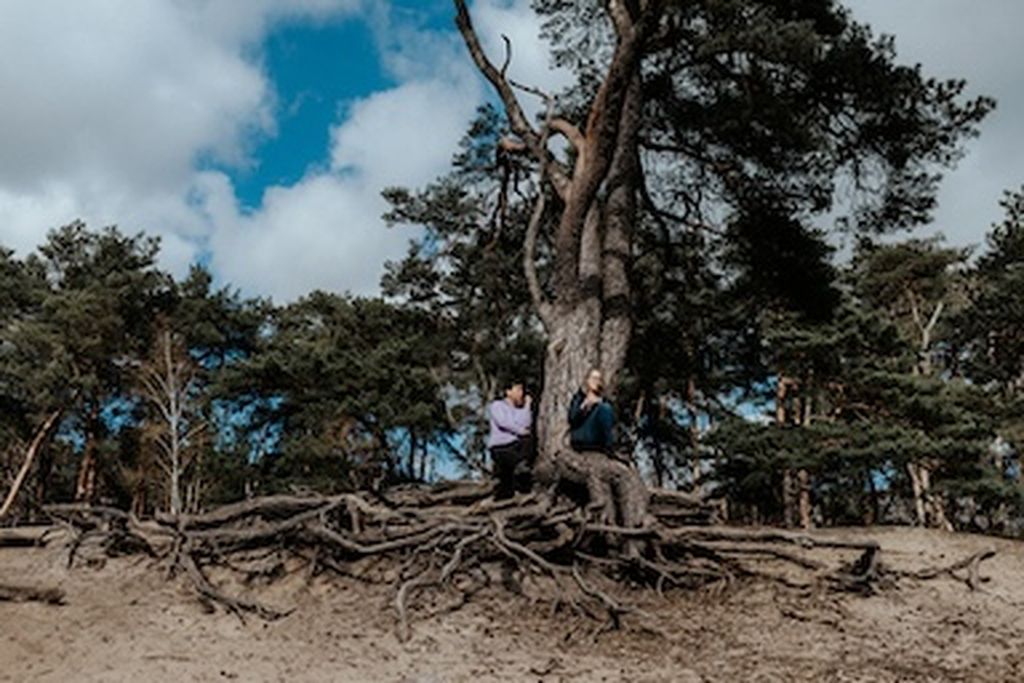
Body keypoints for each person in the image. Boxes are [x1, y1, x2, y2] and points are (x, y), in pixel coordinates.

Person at [487, 379, 533, 499]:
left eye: (522, 390)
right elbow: (504, 422)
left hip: (516, 445)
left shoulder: (520, 410)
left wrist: (527, 405)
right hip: (500, 447)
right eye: (518, 389)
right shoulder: (497, 405)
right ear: (508, 391)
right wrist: (521, 431)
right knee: (508, 475)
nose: (521, 393)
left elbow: (526, 423)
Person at [568, 368, 615, 454]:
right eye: (593, 378)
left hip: (598, 439)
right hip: (581, 437)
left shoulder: (605, 402)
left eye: (598, 379)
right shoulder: (579, 398)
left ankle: (609, 447)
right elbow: (572, 419)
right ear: (587, 380)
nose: (595, 381)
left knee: (605, 408)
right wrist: (584, 406)